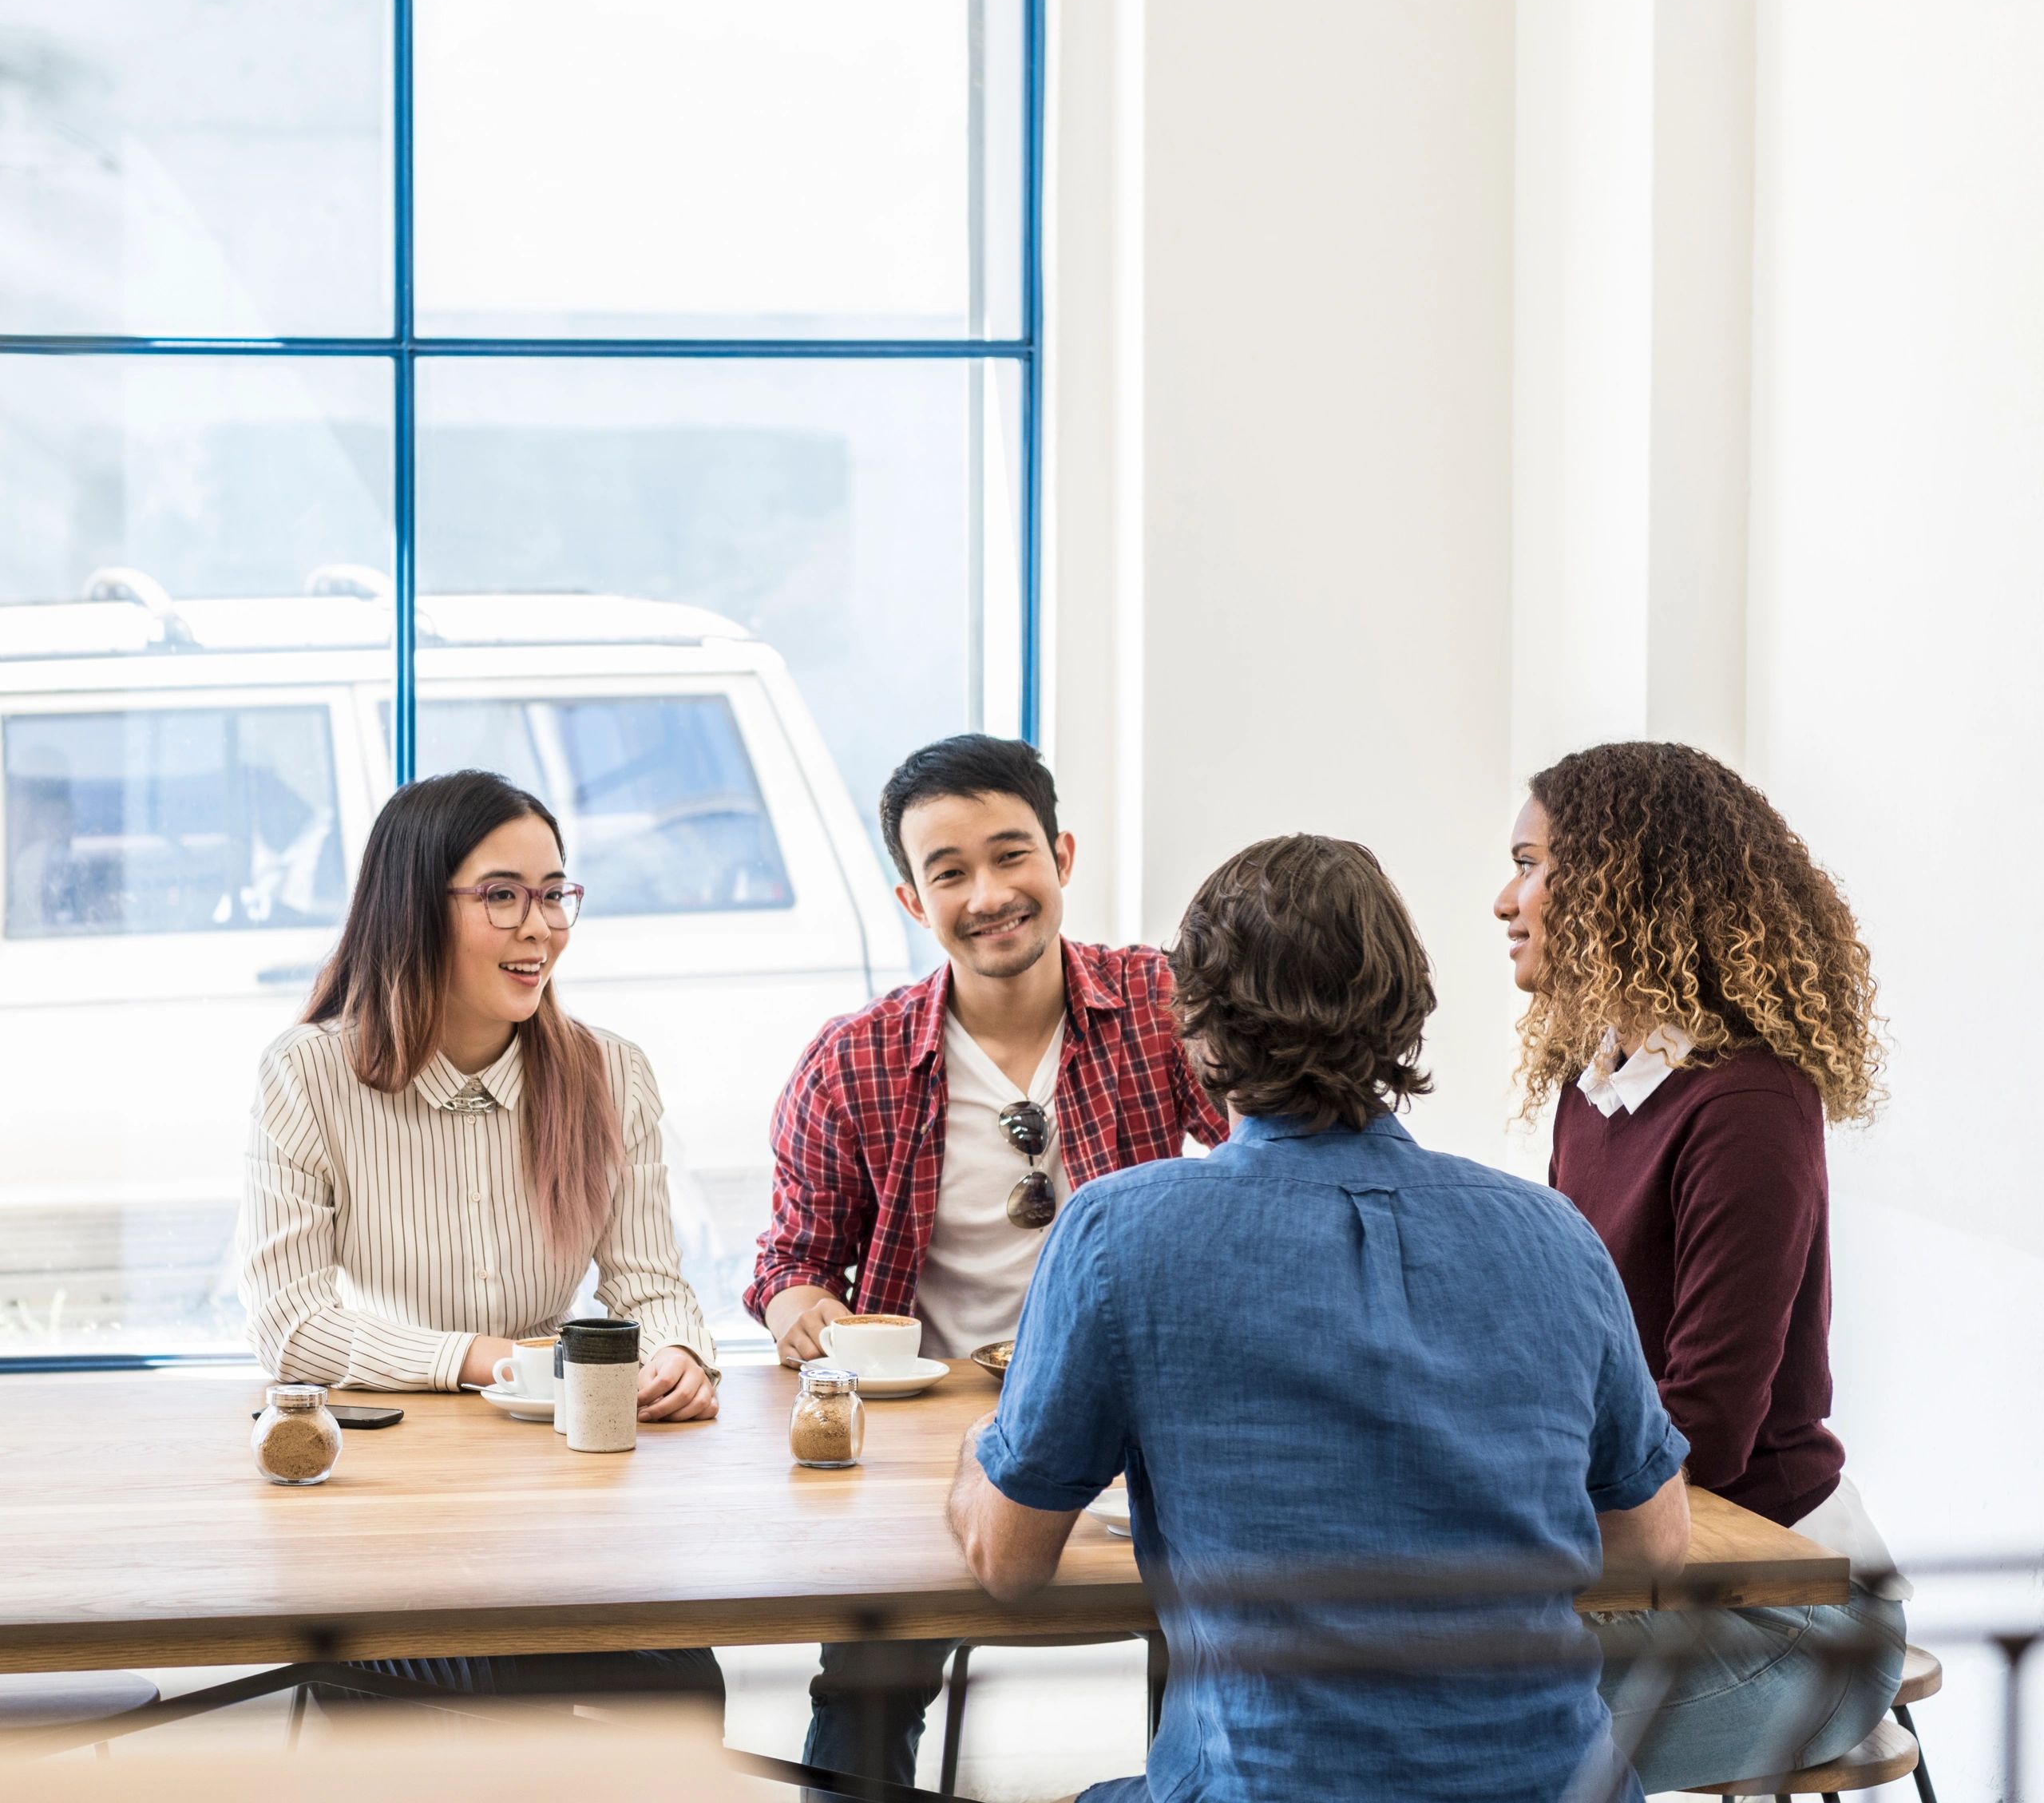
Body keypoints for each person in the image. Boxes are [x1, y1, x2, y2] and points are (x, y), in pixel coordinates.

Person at [949, 834, 1691, 1803]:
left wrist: (978, 1448)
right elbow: (1651, 1542)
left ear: (1200, 1029)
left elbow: (1008, 1563)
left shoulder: (1119, 1232)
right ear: (1403, 1013)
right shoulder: (1552, 1234)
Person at [744, 734, 1226, 1791]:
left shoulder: (1166, 1003)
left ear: (1061, 856)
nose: (990, 892)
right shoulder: (854, 1059)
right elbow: (788, 1265)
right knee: (871, 1676)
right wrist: (800, 1309)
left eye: (1012, 856)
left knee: (1216, 1649)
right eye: (949, 872)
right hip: (936, 1443)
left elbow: (1266, 1162)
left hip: (1149, 1429)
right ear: (914, 903)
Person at [238, 767, 723, 1706]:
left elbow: (652, 1286)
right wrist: (489, 1359)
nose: (540, 928)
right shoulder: (307, 1074)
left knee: (677, 1677)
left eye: (553, 895)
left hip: (571, 1488)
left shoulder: (610, 1072)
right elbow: (293, 1329)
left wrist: (677, 1355)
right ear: (413, 907)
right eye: (502, 896)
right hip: (385, 1500)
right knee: (484, 1676)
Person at [1496, 739, 1908, 1791]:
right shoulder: (1600, 1082)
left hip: (1791, 1606)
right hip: (1663, 1567)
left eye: (1533, 864)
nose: (1508, 899)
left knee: (1460, 1724)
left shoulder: (1750, 1099)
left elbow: (1707, 1430)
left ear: (1617, 883)